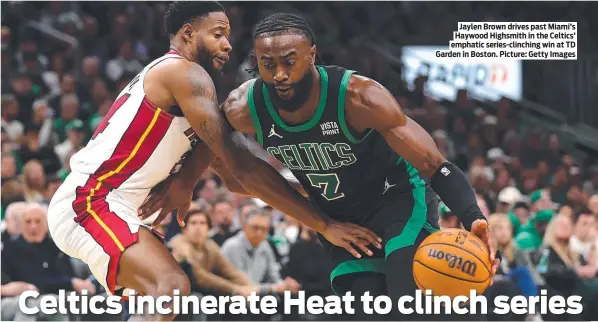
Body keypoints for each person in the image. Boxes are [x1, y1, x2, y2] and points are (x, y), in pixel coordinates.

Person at [140, 11, 500, 320]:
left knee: (403, 300)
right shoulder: (243, 108)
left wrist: (474, 217)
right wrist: (186, 181)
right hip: (338, 216)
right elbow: (225, 156)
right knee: (362, 308)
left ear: (312, 54)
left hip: (399, 202)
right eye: (267, 65)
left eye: (289, 62)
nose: (278, 74)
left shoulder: (360, 97)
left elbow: (434, 164)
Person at [46, 3, 381, 321]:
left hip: (114, 208)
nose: (228, 45)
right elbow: (244, 168)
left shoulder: (192, 94)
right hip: (91, 202)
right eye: (218, 34)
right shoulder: (183, 73)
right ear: (188, 34)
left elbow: (234, 180)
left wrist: (320, 197)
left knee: (166, 296)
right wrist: (323, 222)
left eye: (228, 35)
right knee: (172, 288)